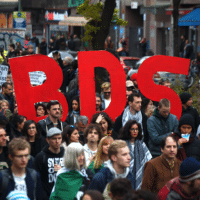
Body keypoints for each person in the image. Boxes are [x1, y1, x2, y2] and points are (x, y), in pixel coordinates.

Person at [119, 120, 152, 189]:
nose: (135, 131)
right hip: (124, 174)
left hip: (140, 174)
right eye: (132, 129)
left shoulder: (142, 144)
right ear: (128, 130)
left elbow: (148, 159)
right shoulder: (122, 144)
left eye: (137, 129)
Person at [34, 127, 65, 200]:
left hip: (64, 194)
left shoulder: (67, 154)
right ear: (47, 140)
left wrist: (62, 170)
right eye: (54, 139)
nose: (57, 141)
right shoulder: (41, 157)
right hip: (47, 195)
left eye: (59, 138)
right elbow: (37, 179)